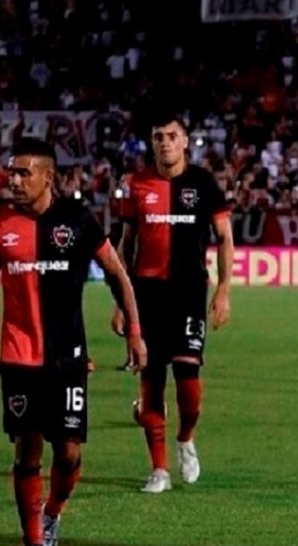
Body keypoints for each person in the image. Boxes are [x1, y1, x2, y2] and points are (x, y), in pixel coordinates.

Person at [0, 139, 147, 546]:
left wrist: (134, 332)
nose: (14, 180)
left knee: (69, 452)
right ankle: (33, 544)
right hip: (18, 358)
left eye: (24, 173)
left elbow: (116, 273)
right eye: (11, 172)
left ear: (48, 177)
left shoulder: (78, 220)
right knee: (27, 452)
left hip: (68, 358)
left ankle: (53, 512)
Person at [113, 113, 234, 494]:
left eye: (171, 135)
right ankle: (159, 469)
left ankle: (185, 438)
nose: (164, 142)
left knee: (188, 382)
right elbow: (125, 245)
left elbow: (224, 238)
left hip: (189, 293)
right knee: (151, 380)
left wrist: (224, 290)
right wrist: (121, 301)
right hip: (146, 295)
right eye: (158, 136)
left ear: (185, 141)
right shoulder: (137, 184)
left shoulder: (203, 183)